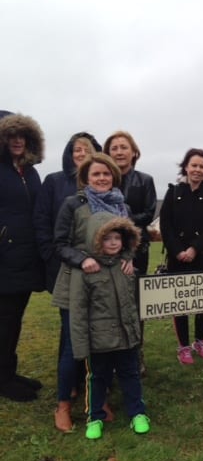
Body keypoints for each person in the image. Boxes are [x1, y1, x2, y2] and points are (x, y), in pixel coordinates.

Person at [52, 152, 133, 432]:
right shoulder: (73, 204)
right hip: (76, 282)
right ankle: (63, 405)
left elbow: (129, 239)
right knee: (73, 347)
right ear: (86, 177)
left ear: (114, 176)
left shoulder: (121, 206)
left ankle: (98, 401)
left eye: (106, 173)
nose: (101, 178)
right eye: (96, 174)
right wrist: (81, 259)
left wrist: (129, 257)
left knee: (105, 346)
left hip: (108, 287)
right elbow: (60, 243)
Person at [34, 132, 102, 422]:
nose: (81, 152)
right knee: (70, 335)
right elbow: (44, 224)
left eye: (87, 148)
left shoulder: (104, 190)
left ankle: (94, 394)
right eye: (77, 148)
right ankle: (67, 394)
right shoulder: (55, 183)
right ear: (69, 152)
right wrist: (52, 257)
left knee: (95, 335)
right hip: (67, 269)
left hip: (99, 275)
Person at [69, 212, 150, 440]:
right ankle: (94, 417)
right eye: (107, 238)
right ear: (96, 240)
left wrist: (135, 333)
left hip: (126, 336)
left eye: (117, 237)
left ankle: (138, 413)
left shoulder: (126, 267)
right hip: (99, 339)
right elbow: (78, 310)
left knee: (130, 374)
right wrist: (81, 346)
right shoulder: (85, 270)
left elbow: (131, 304)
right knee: (97, 378)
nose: (113, 243)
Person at [160, 148, 203, 365]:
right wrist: (178, 250)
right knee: (181, 305)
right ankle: (184, 347)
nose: (197, 170)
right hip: (177, 258)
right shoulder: (173, 192)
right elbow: (165, 225)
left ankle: (200, 341)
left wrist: (195, 248)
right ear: (186, 166)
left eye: (202, 166)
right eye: (194, 165)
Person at [103, 131, 157, 375]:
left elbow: (148, 212)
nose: (119, 152)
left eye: (124, 147)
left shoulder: (145, 180)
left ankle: (136, 353)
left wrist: (121, 222)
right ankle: (111, 357)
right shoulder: (104, 179)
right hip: (106, 250)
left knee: (134, 304)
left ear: (134, 152)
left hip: (136, 249)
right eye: (114, 148)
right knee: (110, 303)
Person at [0, 111, 45, 402]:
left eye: (22, 136)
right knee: (4, 320)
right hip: (4, 257)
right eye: (11, 136)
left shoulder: (30, 172)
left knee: (15, 319)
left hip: (26, 257)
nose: (17, 141)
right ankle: (3, 380)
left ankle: (9, 372)